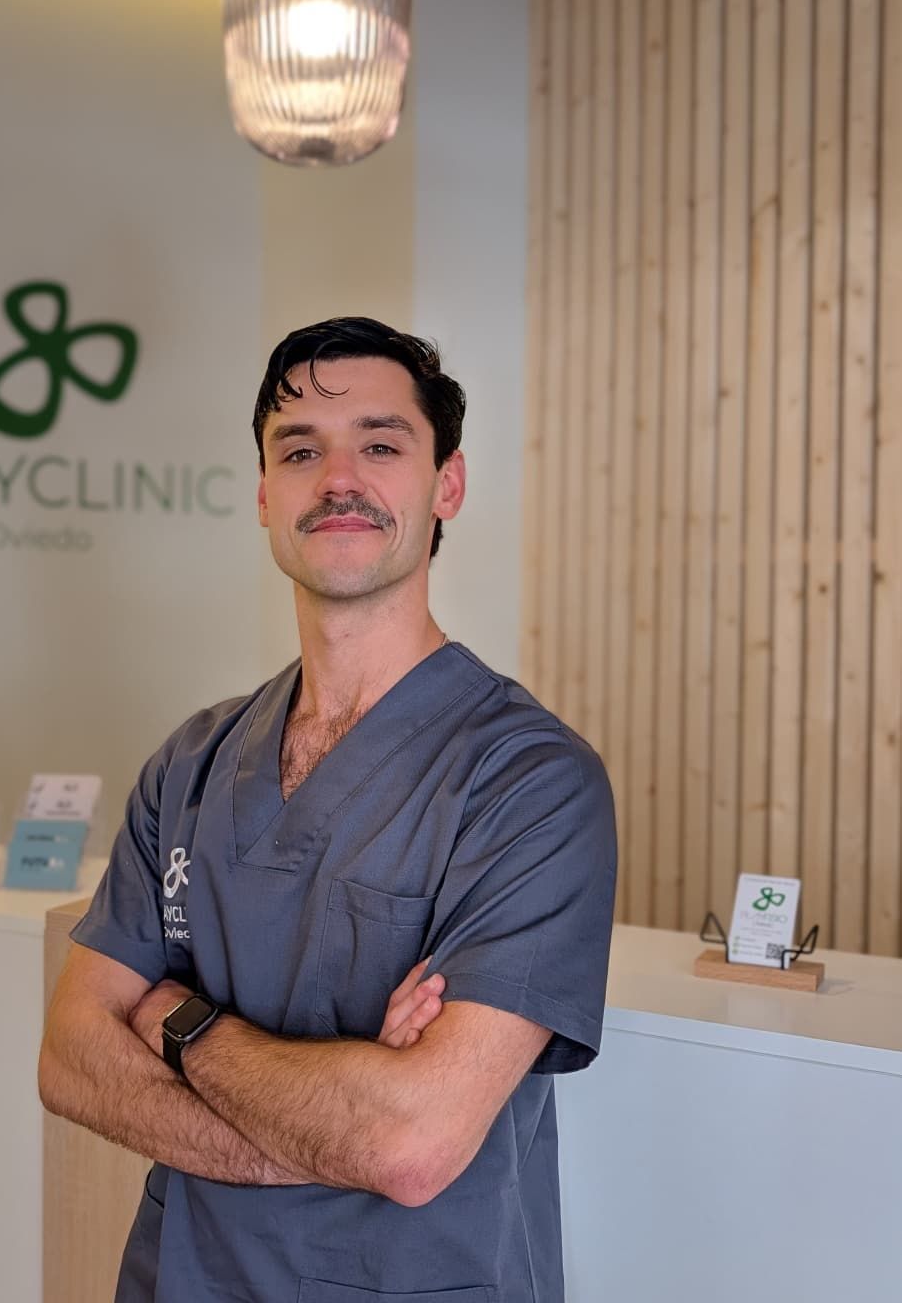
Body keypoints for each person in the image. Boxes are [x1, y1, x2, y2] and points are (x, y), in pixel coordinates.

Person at [39, 317, 617, 1302]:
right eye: (299, 448)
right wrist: (323, 1127)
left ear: (447, 486)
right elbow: (70, 1059)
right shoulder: (191, 760)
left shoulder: (528, 779)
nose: (336, 477)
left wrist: (178, 1020)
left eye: (380, 444)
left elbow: (409, 1141)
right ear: (265, 494)